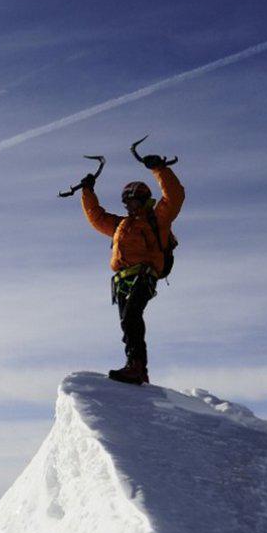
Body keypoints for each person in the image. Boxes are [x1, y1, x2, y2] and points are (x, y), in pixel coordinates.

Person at [76, 142, 183, 385]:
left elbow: (174, 197)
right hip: (123, 280)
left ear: (142, 199)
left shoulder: (158, 218)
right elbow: (97, 218)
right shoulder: (121, 225)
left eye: (130, 200)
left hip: (144, 275)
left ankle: (137, 366)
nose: (126, 205)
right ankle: (135, 366)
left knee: (131, 317)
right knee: (128, 322)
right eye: (125, 201)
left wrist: (159, 169)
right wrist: (87, 191)